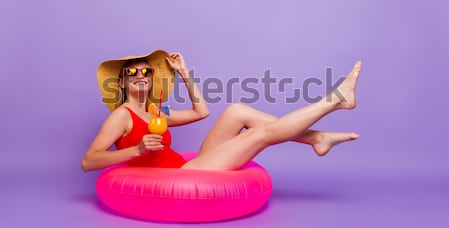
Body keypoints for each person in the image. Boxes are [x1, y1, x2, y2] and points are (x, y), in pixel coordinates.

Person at [82, 50, 361, 172]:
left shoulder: (157, 111)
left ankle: (315, 138)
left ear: (152, 77)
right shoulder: (122, 115)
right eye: (132, 71)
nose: (140, 74)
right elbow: (89, 161)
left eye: (146, 70)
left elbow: (201, 112)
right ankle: (336, 99)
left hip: (186, 165)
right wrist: (137, 150)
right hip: (184, 175)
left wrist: (183, 73)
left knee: (236, 110)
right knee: (257, 135)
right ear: (122, 81)